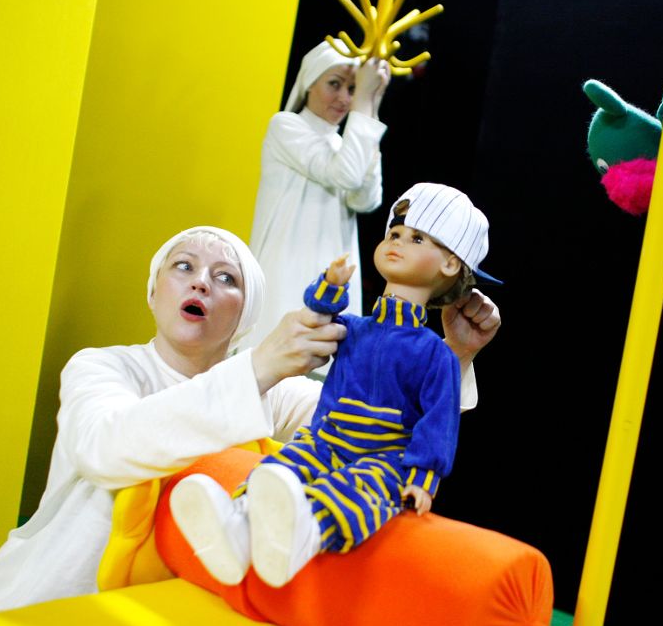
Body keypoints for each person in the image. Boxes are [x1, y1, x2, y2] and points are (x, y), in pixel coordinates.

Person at [0, 224, 499, 619]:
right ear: (155, 290)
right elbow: (105, 447)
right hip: (35, 606)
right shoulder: (103, 367)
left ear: (244, 315)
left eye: (226, 278)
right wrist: (260, 366)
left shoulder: (273, 394)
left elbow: (384, 430)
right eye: (183, 267)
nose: (201, 283)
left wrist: (454, 356)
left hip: (158, 623)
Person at [171, 184, 501, 588]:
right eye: (395, 233)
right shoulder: (356, 329)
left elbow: (438, 423)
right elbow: (320, 318)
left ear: (450, 263)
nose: (398, 242)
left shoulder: (436, 354)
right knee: (283, 467)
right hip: (325, 438)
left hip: (383, 457)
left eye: (417, 238)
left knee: (359, 489)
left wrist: (422, 479)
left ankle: (303, 536)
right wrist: (329, 286)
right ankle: (236, 524)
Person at [247, 41, 391, 352]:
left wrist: (371, 104)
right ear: (310, 81)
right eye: (334, 84)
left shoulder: (345, 145)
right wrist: (362, 108)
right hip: (287, 263)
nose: (344, 98)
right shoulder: (286, 125)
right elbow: (346, 175)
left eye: (353, 89)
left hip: (332, 268)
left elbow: (366, 200)